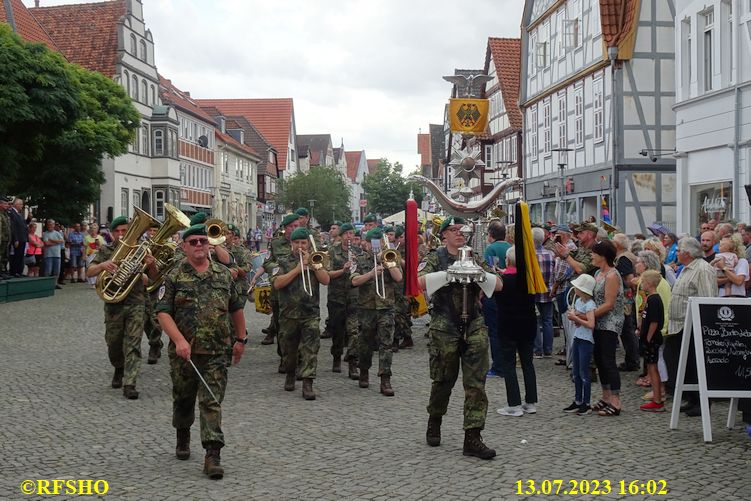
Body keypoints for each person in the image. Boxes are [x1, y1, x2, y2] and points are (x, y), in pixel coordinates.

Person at [156, 224, 246, 480]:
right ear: (184, 246)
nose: (199, 245)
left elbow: (236, 308)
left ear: (210, 246)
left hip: (217, 351)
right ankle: (182, 432)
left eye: (203, 242)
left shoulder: (224, 275)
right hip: (184, 352)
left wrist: (241, 339)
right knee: (183, 398)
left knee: (211, 402)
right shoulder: (173, 277)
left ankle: (212, 454)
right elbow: (163, 313)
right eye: (193, 242)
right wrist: (179, 341)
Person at [417, 216, 502, 460]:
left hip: (474, 324)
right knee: (443, 380)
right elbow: (418, 282)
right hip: (445, 325)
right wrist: (449, 274)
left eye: (462, 229)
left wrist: (477, 274)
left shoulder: (475, 257)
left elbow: (499, 285)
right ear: (443, 235)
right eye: (453, 230)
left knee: (476, 383)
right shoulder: (436, 257)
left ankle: (473, 437)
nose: (459, 233)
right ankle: (435, 419)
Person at [87, 216, 157, 399]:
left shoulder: (141, 251)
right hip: (113, 305)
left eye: (124, 231)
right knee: (114, 343)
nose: (121, 234)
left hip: (136, 302)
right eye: (117, 231)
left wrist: (151, 267)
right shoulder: (106, 250)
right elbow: (90, 271)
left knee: (133, 343)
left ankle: (130, 383)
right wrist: (103, 265)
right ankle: (119, 367)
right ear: (112, 233)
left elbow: (153, 278)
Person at [269, 227, 330, 399]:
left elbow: (326, 280)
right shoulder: (281, 262)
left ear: (309, 245)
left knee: (310, 349)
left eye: (303, 243)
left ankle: (308, 383)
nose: (300, 246)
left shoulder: (315, 260)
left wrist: (314, 266)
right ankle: (290, 373)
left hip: (310, 313)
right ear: (291, 244)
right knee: (289, 351)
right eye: (297, 243)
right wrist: (298, 269)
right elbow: (277, 284)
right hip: (288, 314)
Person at [665, 237, 718, 417]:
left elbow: (708, 299)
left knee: (696, 365)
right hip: (680, 325)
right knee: (682, 363)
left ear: (687, 253)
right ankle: (692, 399)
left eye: (679, 250)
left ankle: (701, 402)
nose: (676, 253)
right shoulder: (687, 268)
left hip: (694, 325)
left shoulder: (703, 269)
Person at [351, 227, 403, 396]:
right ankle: (364, 371)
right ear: (365, 243)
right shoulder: (358, 259)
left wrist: (385, 261)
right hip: (366, 308)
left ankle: (385, 379)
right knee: (365, 343)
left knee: (386, 344)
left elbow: (398, 278)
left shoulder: (389, 256)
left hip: (386, 307)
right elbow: (354, 281)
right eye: (371, 242)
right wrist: (371, 274)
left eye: (379, 242)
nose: (375, 245)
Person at [495, 246, 538, 417]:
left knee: (509, 365)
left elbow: (494, 296)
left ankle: (514, 404)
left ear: (507, 260)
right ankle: (531, 402)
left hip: (508, 325)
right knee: (528, 363)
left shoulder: (504, 280)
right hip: (528, 324)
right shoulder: (530, 278)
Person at [589, 240, 625, 417]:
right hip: (597, 321)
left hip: (610, 322)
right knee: (599, 360)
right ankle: (606, 396)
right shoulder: (598, 273)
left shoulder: (612, 275)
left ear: (603, 256)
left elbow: (609, 304)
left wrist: (588, 316)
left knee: (608, 360)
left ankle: (616, 401)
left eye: (594, 253)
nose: (591, 256)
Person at [254, 214, 300, 351]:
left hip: (299, 291)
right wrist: (278, 269)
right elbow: (267, 262)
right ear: (285, 228)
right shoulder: (275, 243)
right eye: (292, 226)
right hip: (280, 292)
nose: (295, 229)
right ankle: (283, 355)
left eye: (297, 226)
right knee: (281, 327)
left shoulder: (305, 242)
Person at [633, 251, 671, 400]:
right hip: (645, 326)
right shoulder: (643, 281)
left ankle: (661, 390)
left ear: (646, 264)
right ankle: (656, 387)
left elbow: (664, 307)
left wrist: (660, 329)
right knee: (652, 360)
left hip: (656, 329)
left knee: (658, 359)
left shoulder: (660, 283)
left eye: (638, 262)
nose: (635, 265)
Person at [327, 223, 360, 378]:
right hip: (336, 297)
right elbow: (327, 275)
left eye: (351, 233)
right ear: (340, 237)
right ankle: (336, 357)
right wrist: (343, 270)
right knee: (337, 330)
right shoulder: (332, 252)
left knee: (353, 331)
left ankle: (353, 363)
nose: (349, 236)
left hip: (353, 296)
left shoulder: (358, 252)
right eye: (346, 234)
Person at [562, 274, 597, 415]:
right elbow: (578, 324)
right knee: (576, 372)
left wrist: (576, 317)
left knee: (584, 372)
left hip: (586, 340)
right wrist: (574, 318)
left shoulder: (590, 304)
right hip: (578, 337)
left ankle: (586, 402)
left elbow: (591, 324)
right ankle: (577, 400)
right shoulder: (579, 303)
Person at [483, 221, 510, 377]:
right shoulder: (510, 247)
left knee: (494, 332)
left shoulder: (491, 249)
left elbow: (488, 272)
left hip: (494, 294)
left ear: (491, 235)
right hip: (509, 293)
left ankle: (498, 366)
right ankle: (507, 363)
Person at [637, 270, 666, 412]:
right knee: (651, 367)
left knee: (653, 369)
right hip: (649, 338)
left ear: (648, 283)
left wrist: (647, 338)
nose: (641, 284)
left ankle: (657, 399)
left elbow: (654, 322)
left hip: (652, 339)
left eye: (642, 282)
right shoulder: (650, 298)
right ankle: (657, 397)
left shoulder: (654, 299)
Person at [612, 233, 639, 372]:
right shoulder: (628, 256)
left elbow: (629, 279)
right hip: (628, 296)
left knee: (627, 330)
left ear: (617, 245)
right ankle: (632, 359)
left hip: (625, 297)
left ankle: (632, 360)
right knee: (627, 329)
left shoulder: (623, 259)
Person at [532, 227, 555, 358]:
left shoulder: (529, 256)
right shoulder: (550, 254)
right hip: (548, 291)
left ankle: (537, 350)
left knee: (536, 321)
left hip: (534, 292)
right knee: (547, 320)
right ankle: (548, 350)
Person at [8, 197, 29, 277]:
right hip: (18, 238)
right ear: (16, 204)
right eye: (21, 204)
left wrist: (29, 219)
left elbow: (23, 225)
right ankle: (14, 272)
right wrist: (15, 239)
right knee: (16, 256)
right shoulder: (12, 213)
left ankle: (19, 271)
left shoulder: (19, 214)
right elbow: (13, 227)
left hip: (22, 238)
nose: (22, 206)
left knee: (20, 256)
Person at [41, 219, 65, 287]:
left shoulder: (57, 233)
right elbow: (46, 243)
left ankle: (55, 284)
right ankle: (46, 284)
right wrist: (57, 242)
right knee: (48, 270)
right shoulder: (45, 233)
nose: (50, 226)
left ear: (54, 225)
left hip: (57, 254)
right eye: (49, 225)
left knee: (57, 271)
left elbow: (62, 241)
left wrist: (52, 240)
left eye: (51, 224)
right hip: (48, 255)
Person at [0, 198, 11, 277]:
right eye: (5, 204)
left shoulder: (5, 214)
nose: (7, 206)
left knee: (5, 257)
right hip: (1, 239)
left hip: (6, 240)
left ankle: (3, 271)